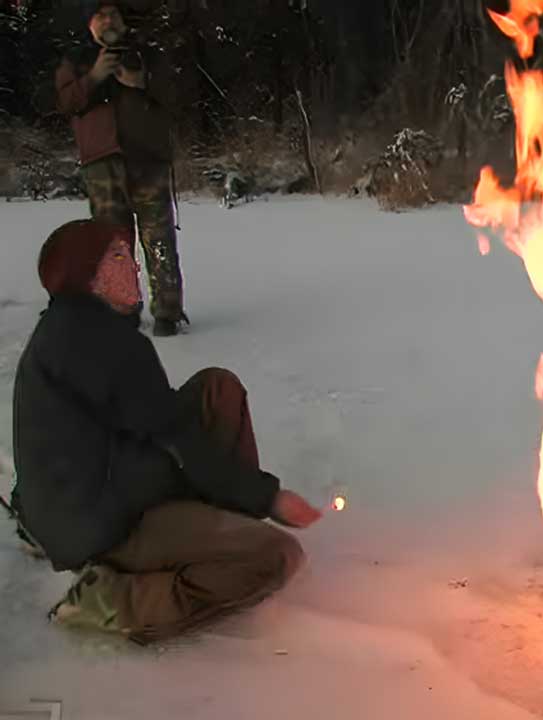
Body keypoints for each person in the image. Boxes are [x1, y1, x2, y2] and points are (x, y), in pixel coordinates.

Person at [9, 219, 323, 644]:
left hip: (93, 495)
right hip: (107, 526)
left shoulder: (71, 329)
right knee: (274, 555)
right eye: (118, 257)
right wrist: (269, 497)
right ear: (86, 273)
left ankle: (220, 523)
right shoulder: (99, 341)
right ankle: (114, 599)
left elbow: (150, 420)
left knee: (217, 389)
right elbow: (177, 437)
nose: (135, 268)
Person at [55, 0, 187, 336]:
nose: (108, 20)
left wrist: (141, 83)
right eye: (100, 15)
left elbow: (178, 97)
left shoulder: (146, 55)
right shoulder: (77, 61)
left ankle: (168, 313)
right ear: (90, 25)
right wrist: (95, 76)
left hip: (148, 159)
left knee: (159, 237)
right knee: (112, 242)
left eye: (113, 14)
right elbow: (62, 103)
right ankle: (121, 309)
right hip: (101, 163)